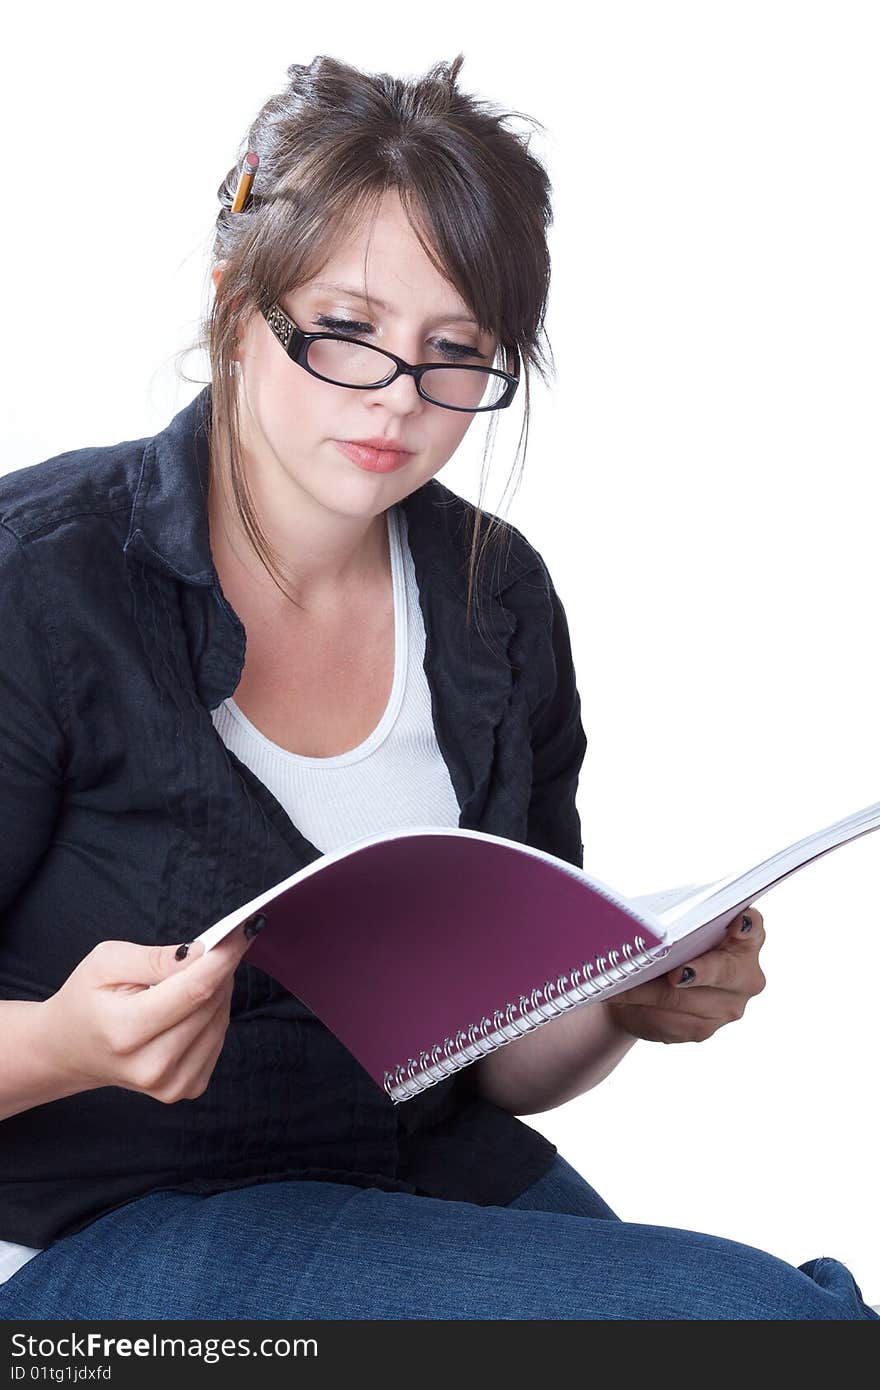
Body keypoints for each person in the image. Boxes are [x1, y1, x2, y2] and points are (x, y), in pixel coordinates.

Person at [0, 52, 875, 1322]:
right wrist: (61, 1046)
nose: (399, 401)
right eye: (347, 331)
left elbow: (500, 1060)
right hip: (98, 1234)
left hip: (413, 1177)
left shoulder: (493, 596)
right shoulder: (41, 580)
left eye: (454, 351)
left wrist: (622, 1001)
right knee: (773, 1326)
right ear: (236, 305)